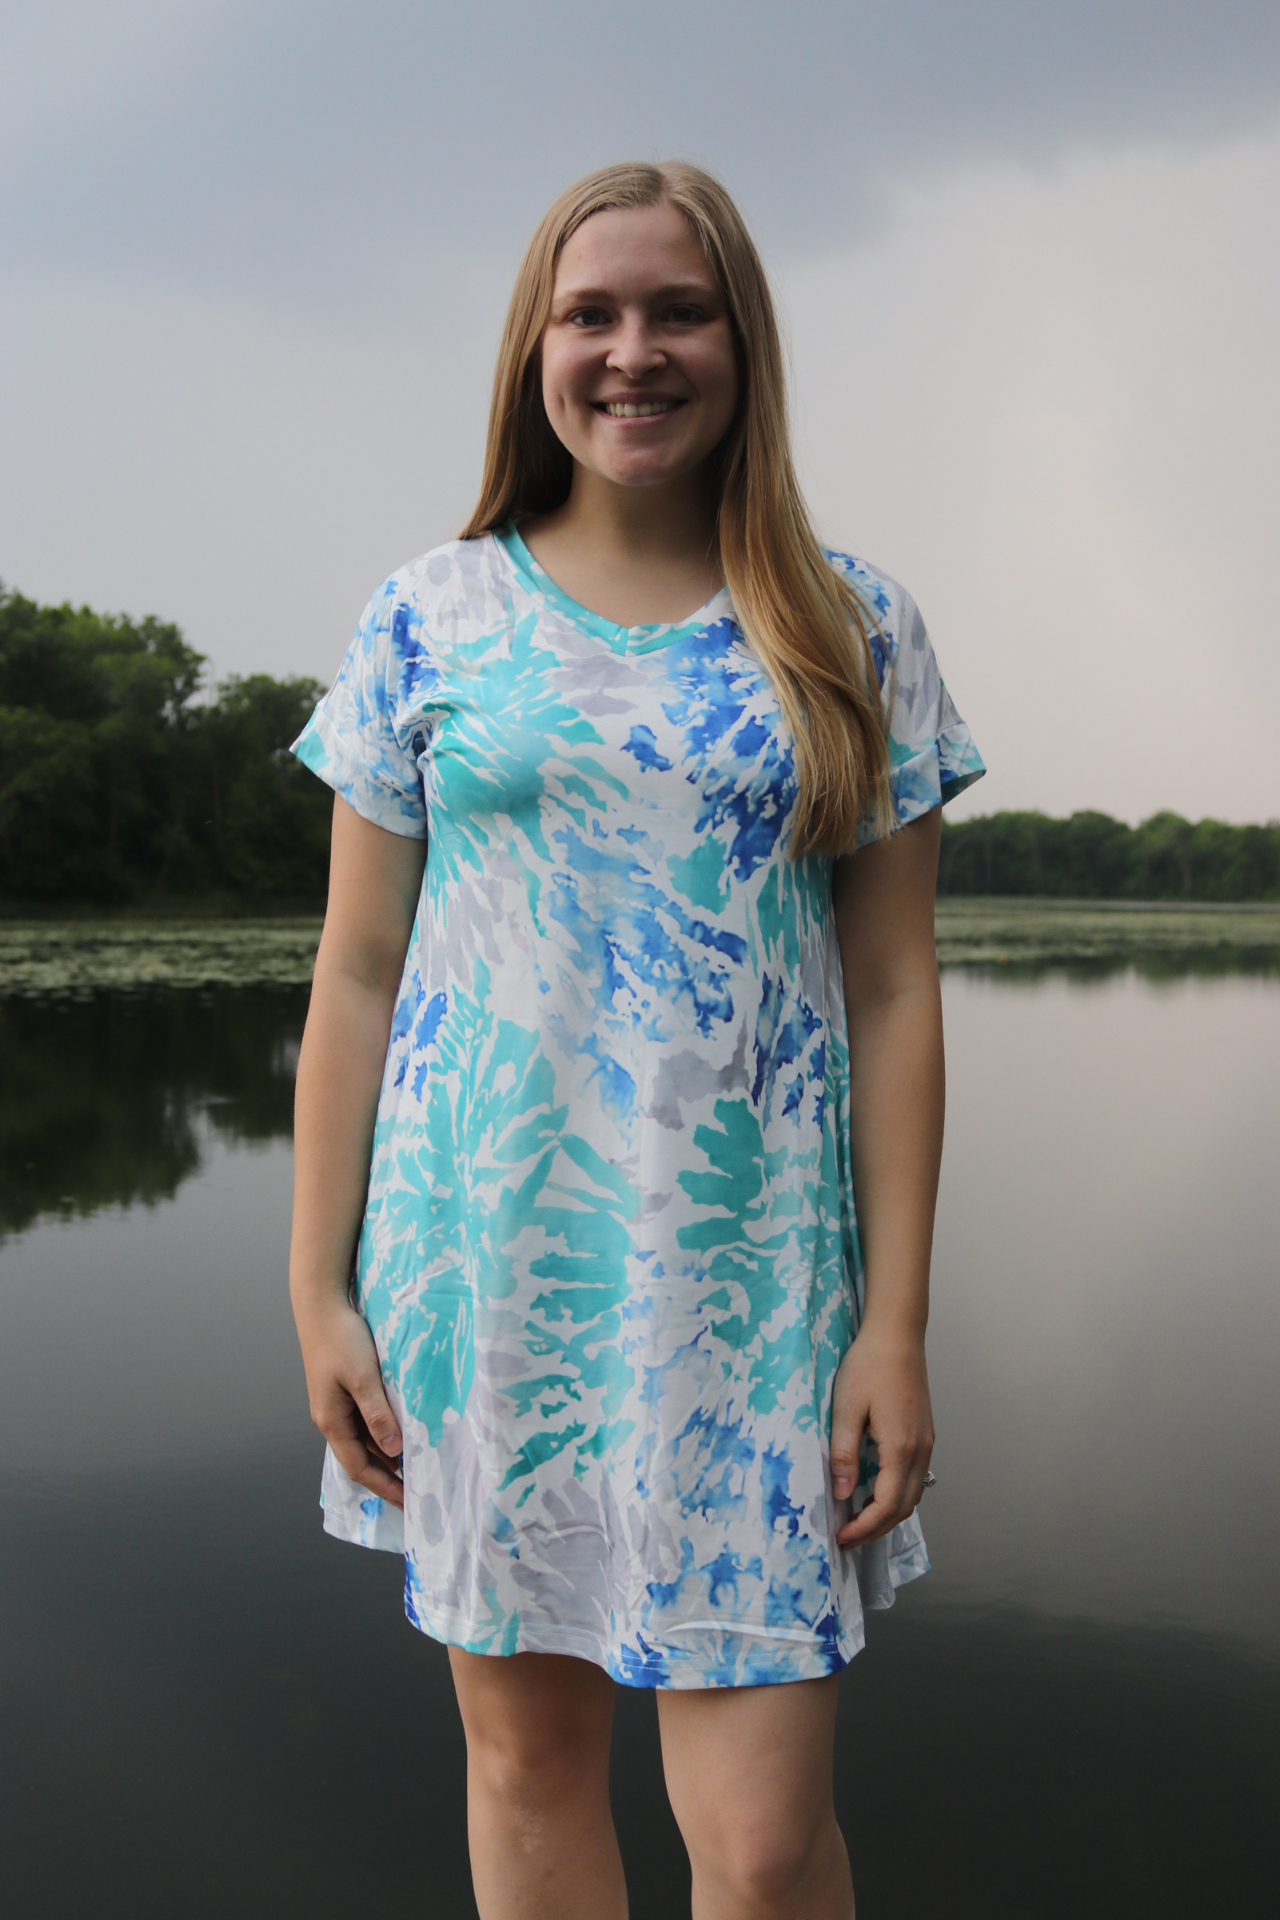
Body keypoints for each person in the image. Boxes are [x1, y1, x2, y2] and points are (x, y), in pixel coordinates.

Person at [289, 159, 984, 1920]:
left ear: (744, 344)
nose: (632, 351)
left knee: (756, 1854)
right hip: (480, 1277)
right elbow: (356, 974)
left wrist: (893, 1325)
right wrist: (317, 1291)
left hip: (759, 1305)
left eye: (679, 310)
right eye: (589, 313)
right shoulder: (427, 615)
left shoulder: (852, 621)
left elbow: (896, 990)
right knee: (529, 1780)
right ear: (534, 346)